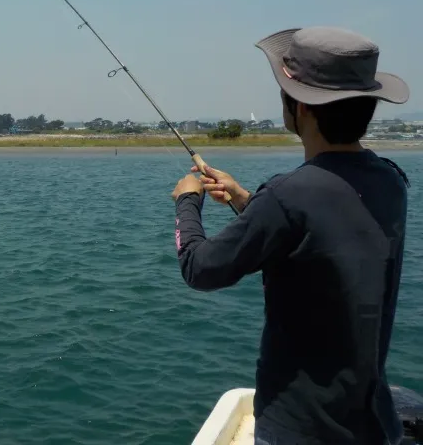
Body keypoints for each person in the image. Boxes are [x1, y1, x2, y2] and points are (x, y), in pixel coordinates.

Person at [170, 26, 411, 445]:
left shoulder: (287, 196)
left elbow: (200, 268)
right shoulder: (391, 181)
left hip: (301, 429)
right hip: (373, 426)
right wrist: (247, 200)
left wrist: (187, 202)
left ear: (299, 107)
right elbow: (316, 239)